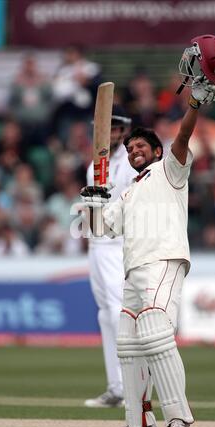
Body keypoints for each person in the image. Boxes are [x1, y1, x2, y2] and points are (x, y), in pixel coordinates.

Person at [81, 36, 215, 427]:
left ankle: (178, 417)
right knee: (127, 346)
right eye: (130, 148)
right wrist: (93, 201)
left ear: (157, 152)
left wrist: (195, 101)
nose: (134, 150)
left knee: (156, 334)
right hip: (132, 269)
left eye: (142, 145)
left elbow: (182, 137)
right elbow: (101, 230)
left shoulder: (171, 171)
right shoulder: (125, 192)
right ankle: (138, 423)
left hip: (164, 260)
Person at [84, 105, 137, 407]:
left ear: (123, 131)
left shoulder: (130, 163)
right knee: (104, 313)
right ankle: (116, 387)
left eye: (116, 128)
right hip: (96, 243)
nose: (110, 133)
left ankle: (132, 386)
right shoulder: (94, 165)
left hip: (117, 243)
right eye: (106, 127)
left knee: (119, 311)